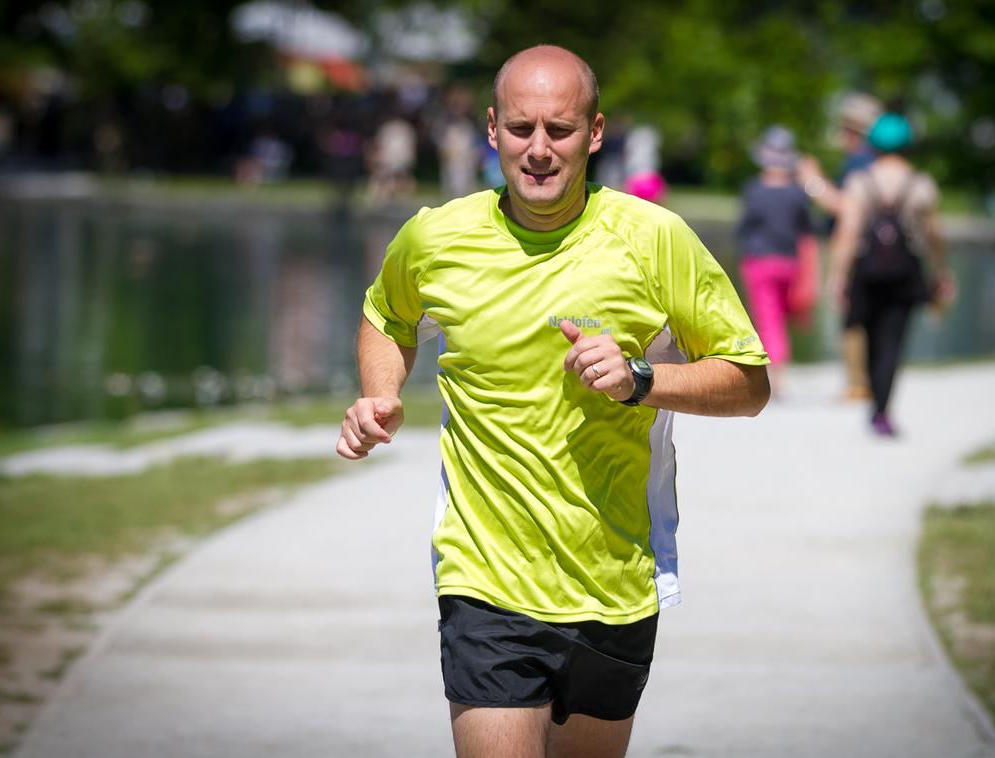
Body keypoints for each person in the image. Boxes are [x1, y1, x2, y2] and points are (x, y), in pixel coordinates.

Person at [335, 45, 770, 758]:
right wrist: (378, 396)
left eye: (560, 131)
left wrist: (641, 380)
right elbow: (387, 315)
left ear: (595, 133)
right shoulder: (436, 238)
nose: (538, 150)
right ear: (491, 129)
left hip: (614, 583)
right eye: (520, 128)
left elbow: (749, 383)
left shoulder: (653, 239)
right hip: (484, 582)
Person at [826, 112, 955, 436]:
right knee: (892, 342)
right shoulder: (921, 184)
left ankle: (875, 400)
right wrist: (941, 271)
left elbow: (848, 232)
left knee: (868, 336)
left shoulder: (860, 182)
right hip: (905, 272)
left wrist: (838, 274)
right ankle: (881, 409)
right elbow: (934, 235)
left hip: (866, 272)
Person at [799, 93, 883, 402]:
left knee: (852, 317)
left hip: (856, 249)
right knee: (868, 317)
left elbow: (845, 207)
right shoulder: (877, 160)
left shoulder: (860, 161)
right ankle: (867, 381)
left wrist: (812, 182)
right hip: (877, 251)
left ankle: (858, 384)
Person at [736, 125, 819, 396]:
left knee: (768, 318)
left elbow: (745, 228)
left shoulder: (754, 190)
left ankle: (777, 377)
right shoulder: (797, 193)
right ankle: (780, 369)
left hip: (760, 262)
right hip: (790, 263)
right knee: (781, 318)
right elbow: (806, 229)